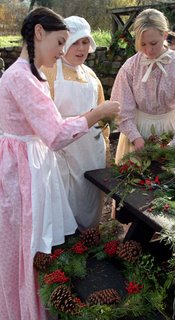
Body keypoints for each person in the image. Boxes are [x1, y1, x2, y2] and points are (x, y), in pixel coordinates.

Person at [0, 7, 119, 320]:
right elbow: (54, 134)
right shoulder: (23, 77)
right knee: (30, 244)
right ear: (39, 33)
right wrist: (96, 113)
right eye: (60, 41)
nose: (63, 50)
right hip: (25, 169)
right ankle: (25, 311)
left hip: (29, 163)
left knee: (31, 244)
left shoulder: (28, 73)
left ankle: (28, 305)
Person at [110, 8, 175, 165]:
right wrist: (135, 136)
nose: (149, 50)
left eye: (153, 43)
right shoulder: (131, 66)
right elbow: (121, 105)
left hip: (170, 130)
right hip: (137, 130)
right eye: (143, 44)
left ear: (165, 35)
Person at [42, 16, 108, 230]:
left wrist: (104, 142)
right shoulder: (50, 72)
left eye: (85, 42)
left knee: (90, 199)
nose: (81, 48)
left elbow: (101, 111)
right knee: (65, 203)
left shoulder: (91, 76)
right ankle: (68, 252)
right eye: (75, 43)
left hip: (91, 152)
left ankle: (91, 244)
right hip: (64, 151)